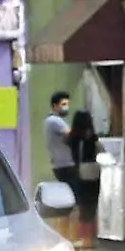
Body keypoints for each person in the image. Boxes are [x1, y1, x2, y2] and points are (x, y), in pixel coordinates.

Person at [44, 92, 76, 240]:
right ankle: (64, 236)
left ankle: (63, 235)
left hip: (60, 164)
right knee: (68, 203)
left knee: (66, 203)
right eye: (63, 104)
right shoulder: (55, 121)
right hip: (65, 165)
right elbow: (71, 135)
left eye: (67, 104)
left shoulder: (51, 121)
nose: (66, 107)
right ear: (54, 106)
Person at [67, 111, 101, 249]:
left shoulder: (72, 138)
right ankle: (89, 239)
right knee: (91, 205)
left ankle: (80, 237)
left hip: (78, 172)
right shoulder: (92, 137)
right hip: (92, 172)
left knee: (81, 205)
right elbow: (100, 150)